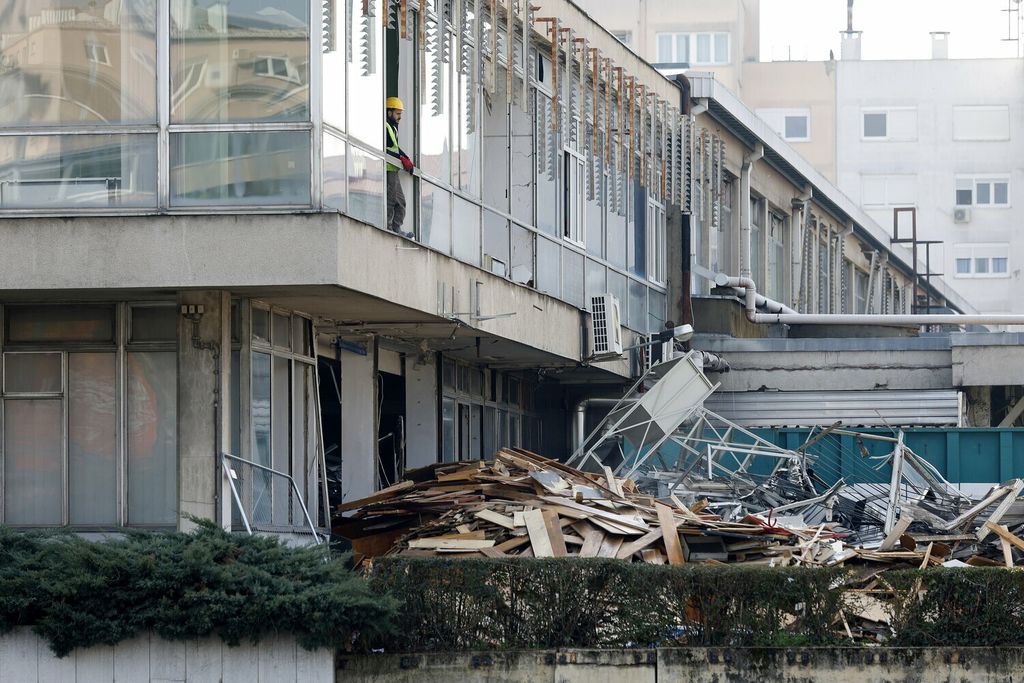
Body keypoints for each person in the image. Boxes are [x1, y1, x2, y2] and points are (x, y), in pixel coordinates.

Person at [385, 97, 414, 236]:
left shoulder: (393, 128)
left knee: (401, 201)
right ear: (389, 112)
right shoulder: (385, 127)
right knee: (391, 200)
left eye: (400, 114)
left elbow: (395, 148)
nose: (400, 117)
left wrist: (405, 157)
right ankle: (388, 228)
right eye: (397, 114)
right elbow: (384, 149)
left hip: (393, 169)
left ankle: (396, 228)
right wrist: (401, 158)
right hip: (387, 170)